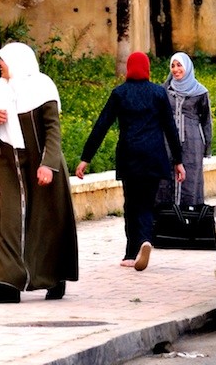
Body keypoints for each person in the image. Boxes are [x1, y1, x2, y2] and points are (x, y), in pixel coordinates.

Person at [0, 42, 78, 304]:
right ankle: (7, 286)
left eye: (2, 60)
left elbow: (53, 131)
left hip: (40, 163)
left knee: (47, 225)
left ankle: (56, 278)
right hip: (10, 164)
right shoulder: (0, 89)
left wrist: (49, 164)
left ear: (18, 60)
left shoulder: (42, 86)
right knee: (10, 223)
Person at [76, 50, 185, 272]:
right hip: (154, 156)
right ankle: (144, 241)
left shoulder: (120, 93)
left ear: (129, 69)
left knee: (131, 203)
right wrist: (178, 161)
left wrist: (86, 158)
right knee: (146, 202)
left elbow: (102, 125)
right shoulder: (158, 93)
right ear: (147, 69)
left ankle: (130, 251)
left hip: (130, 156)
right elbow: (170, 128)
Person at [157, 51, 212, 208]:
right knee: (166, 178)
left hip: (193, 142)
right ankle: (168, 218)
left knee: (190, 179)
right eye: (173, 66)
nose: (175, 69)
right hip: (167, 141)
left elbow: (206, 120)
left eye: (179, 65)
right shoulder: (164, 91)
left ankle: (191, 217)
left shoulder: (200, 92)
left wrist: (207, 146)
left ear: (187, 67)